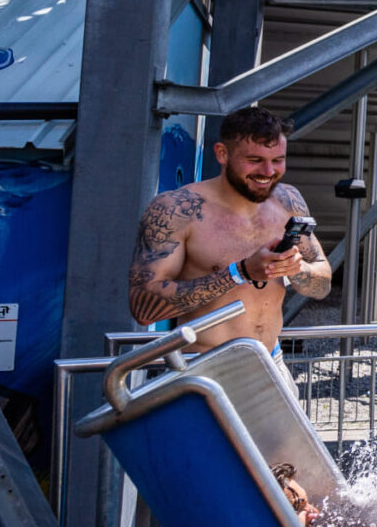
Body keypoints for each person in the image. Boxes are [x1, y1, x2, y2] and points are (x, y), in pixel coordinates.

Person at [128, 107, 332, 355]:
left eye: (277, 160)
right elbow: (143, 310)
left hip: (271, 359)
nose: (269, 172)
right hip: (206, 365)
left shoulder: (288, 199)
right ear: (222, 154)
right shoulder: (177, 209)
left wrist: (296, 270)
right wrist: (240, 272)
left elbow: (323, 284)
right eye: (255, 160)